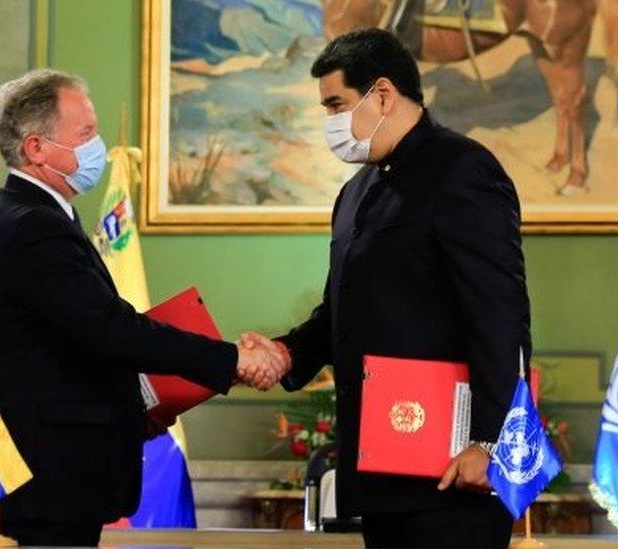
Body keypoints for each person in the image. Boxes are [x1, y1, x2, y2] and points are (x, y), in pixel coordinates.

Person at [0, 69, 288, 547]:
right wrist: (232, 360)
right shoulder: (32, 225)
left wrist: (136, 404)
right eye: (86, 134)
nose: (98, 147)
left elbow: (70, 346)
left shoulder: (37, 215)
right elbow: (111, 330)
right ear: (36, 148)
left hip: (57, 483)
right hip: (46, 487)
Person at [242, 29, 531, 548]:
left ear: (381, 94)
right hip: (384, 475)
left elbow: (500, 314)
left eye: (336, 105)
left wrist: (493, 442)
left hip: (455, 475)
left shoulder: (463, 169)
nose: (329, 123)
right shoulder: (356, 192)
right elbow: (341, 311)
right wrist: (286, 354)